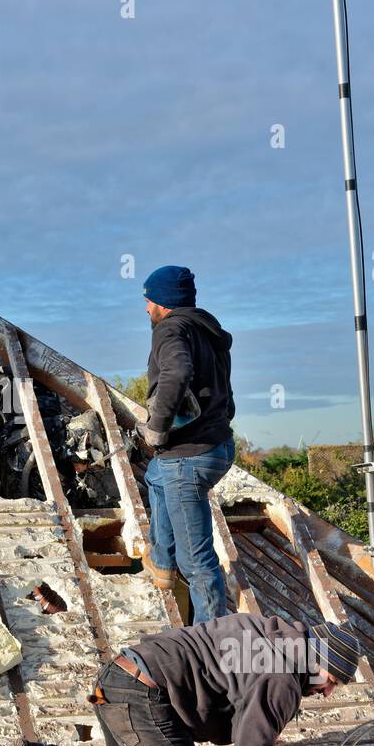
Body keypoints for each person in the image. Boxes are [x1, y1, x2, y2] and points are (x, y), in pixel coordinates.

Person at [1, 616, 364, 746]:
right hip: (143, 696)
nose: (328, 693)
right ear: (317, 660)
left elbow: (227, 680)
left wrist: (256, 732)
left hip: (115, 682)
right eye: (331, 680)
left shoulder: (272, 634)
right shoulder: (283, 677)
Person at [136, 265, 236, 623]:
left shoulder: (170, 328)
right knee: (154, 477)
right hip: (218, 447)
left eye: (149, 300)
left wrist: (158, 428)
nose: (147, 308)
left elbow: (176, 373)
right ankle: (162, 561)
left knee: (196, 562)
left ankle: (210, 642)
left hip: (189, 457)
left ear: (164, 302)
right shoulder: (207, 331)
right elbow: (224, 387)